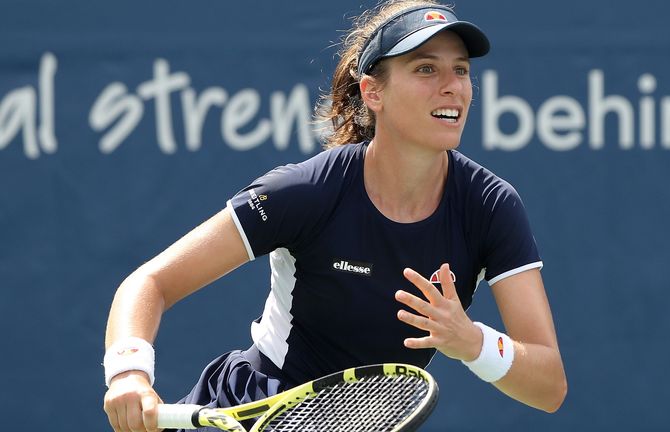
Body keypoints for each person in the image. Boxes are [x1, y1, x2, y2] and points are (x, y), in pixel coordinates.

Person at [102, 1, 567, 431]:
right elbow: (149, 284)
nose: (453, 86)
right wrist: (128, 373)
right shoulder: (306, 191)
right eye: (426, 68)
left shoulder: (491, 206)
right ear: (373, 93)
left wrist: (472, 342)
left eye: (461, 70)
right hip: (256, 404)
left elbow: (549, 386)